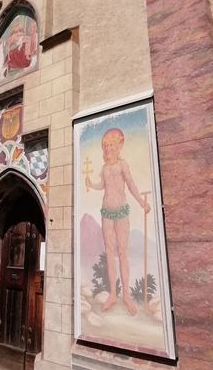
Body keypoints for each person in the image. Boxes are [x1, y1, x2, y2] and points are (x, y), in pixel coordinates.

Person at [85, 128, 150, 315]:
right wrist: (91, 184)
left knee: (121, 252)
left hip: (121, 212)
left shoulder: (122, 165)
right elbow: (102, 186)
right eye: (106, 146)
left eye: (111, 145)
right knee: (109, 253)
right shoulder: (104, 168)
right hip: (106, 212)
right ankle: (113, 294)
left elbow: (131, 185)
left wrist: (141, 201)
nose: (108, 148)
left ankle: (126, 295)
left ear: (118, 146)